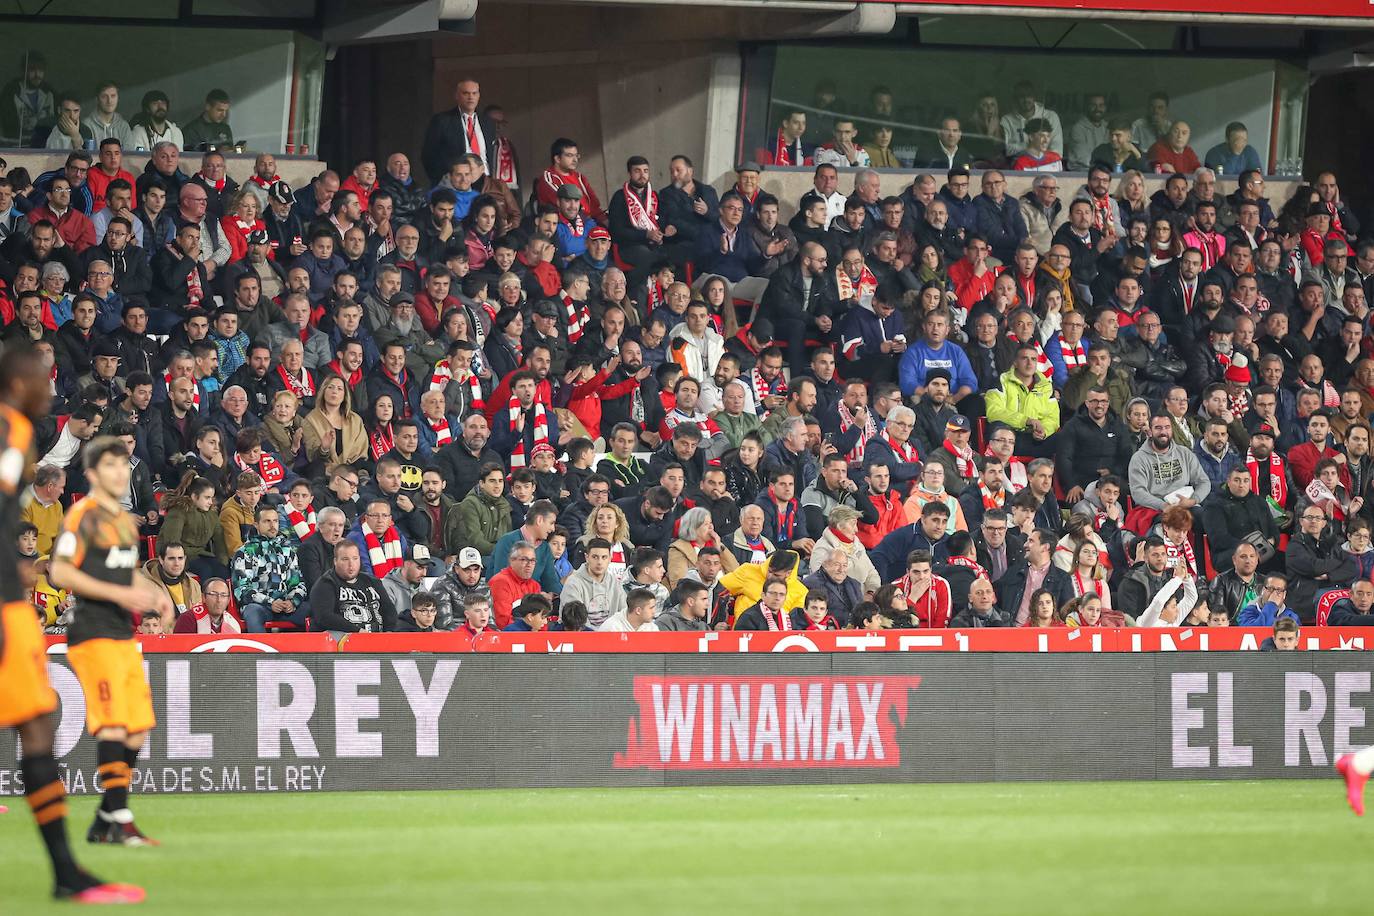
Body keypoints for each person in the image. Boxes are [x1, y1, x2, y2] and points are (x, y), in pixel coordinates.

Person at [0, 353, 146, 900]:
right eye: (42, 379)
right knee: (39, 727)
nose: (49, 389)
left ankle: (76, 862)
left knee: (39, 725)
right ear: (18, 383)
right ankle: (72, 868)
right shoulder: (10, 428)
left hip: (14, 599)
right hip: (19, 609)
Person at [49, 436, 172, 848]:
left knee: (137, 727)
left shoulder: (122, 520)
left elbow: (127, 572)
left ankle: (105, 816)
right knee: (115, 723)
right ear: (91, 475)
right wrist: (120, 595)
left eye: (124, 466)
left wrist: (159, 596)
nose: (120, 473)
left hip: (121, 633)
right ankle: (120, 817)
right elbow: (60, 572)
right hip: (92, 633)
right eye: (111, 466)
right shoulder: (82, 515)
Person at [232, 503, 309, 632]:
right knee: (252, 612)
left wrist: (292, 601)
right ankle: (262, 652)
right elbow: (242, 589)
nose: (273, 526)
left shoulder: (287, 551)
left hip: (285, 607)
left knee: (314, 609)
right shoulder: (245, 552)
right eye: (267, 521)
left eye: (275, 521)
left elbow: (298, 583)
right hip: (260, 606)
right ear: (256, 525)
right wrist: (270, 602)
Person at [308, 540, 396, 633]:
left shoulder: (373, 581)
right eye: (345, 559)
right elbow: (325, 617)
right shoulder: (325, 584)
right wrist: (358, 631)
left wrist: (389, 632)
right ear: (335, 561)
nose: (351, 564)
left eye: (355, 558)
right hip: (341, 641)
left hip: (379, 641)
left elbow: (390, 611)